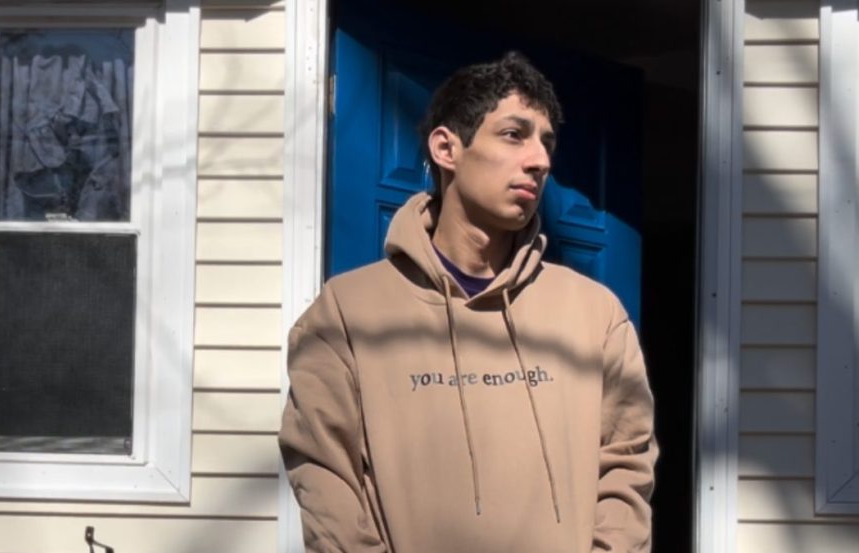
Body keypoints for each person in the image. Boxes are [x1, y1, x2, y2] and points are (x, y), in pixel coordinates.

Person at [279, 52, 657, 552]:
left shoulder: (595, 314)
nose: (540, 160)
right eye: (514, 134)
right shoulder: (348, 315)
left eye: (547, 143)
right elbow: (326, 478)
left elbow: (627, 466)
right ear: (446, 148)